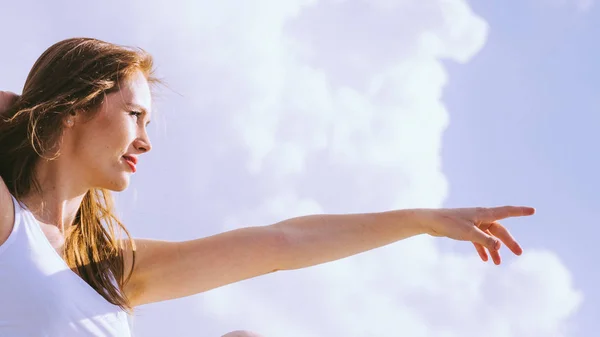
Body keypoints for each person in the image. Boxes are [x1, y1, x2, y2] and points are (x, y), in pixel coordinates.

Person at [0, 37, 535, 337]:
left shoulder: (110, 268)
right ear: (74, 109)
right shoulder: (10, 224)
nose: (145, 142)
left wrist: (419, 221)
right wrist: (20, 108)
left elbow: (283, 243)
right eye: (134, 115)